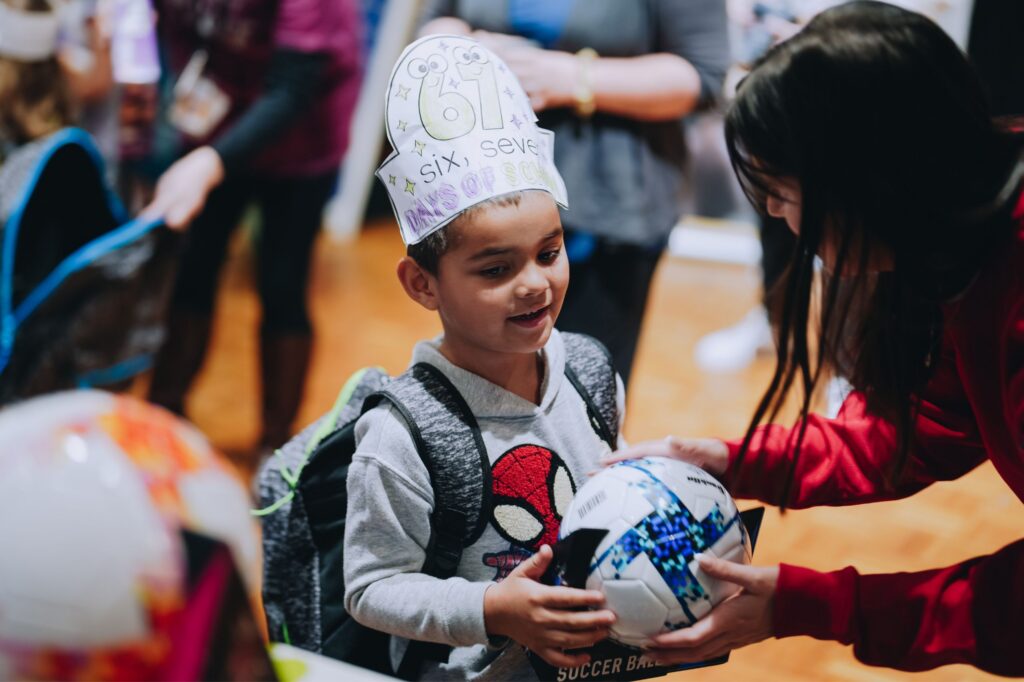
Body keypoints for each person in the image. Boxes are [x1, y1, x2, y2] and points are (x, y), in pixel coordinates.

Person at [605, 2, 1024, 676]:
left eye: (780, 189)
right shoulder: (967, 251)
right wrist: (730, 461)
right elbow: (920, 427)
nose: (773, 211)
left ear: (867, 177)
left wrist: (813, 605)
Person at [343, 36, 626, 679]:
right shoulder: (399, 436)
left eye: (549, 253)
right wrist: (493, 606)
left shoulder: (589, 369)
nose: (534, 283)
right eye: (496, 268)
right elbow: (370, 588)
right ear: (423, 284)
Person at [418, 0, 730, 387]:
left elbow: (703, 74)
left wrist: (570, 78)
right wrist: (457, 49)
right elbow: (437, 19)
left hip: (606, 210)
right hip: (479, 194)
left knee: (581, 387)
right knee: (475, 378)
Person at [143, 0, 362, 456]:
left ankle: (277, 446)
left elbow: (293, 87)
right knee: (192, 267)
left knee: (282, 281)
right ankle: (162, 418)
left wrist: (210, 162)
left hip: (302, 134)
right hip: (218, 117)